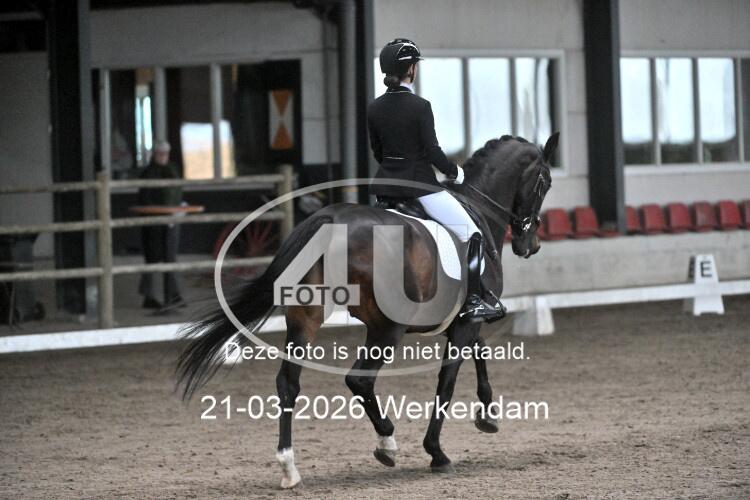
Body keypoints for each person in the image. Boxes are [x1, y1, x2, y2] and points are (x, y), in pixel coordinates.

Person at [367, 38, 504, 322]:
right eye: (415, 65)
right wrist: (454, 171)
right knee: (472, 234)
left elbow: (378, 151)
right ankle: (473, 300)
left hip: (386, 190)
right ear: (410, 69)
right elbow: (432, 152)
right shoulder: (420, 106)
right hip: (421, 188)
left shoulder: (375, 107)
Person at [138, 141, 184, 309]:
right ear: (155, 154)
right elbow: (145, 197)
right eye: (160, 153)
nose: (163, 156)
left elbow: (176, 192)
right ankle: (152, 295)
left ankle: (171, 294)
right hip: (154, 222)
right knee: (153, 256)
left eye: (165, 153)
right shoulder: (150, 173)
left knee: (169, 256)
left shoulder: (170, 170)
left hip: (169, 218)